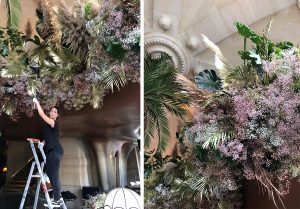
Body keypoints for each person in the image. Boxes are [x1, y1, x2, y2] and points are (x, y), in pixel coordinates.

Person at [32, 98, 64, 208]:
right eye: (51, 110)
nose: (52, 112)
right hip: (51, 152)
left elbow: (42, 115)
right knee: (51, 174)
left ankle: (57, 199)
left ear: (57, 116)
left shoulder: (53, 123)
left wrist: (37, 103)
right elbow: (49, 137)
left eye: (55, 112)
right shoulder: (48, 127)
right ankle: (57, 197)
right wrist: (43, 143)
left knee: (54, 175)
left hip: (55, 152)